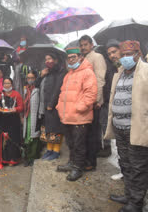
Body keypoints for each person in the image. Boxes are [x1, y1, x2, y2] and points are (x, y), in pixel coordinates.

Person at [105, 40, 148, 212]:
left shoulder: (145, 72)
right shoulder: (120, 73)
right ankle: (129, 196)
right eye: (122, 55)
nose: (125, 58)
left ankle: (136, 203)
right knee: (126, 164)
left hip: (136, 128)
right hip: (120, 128)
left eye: (129, 54)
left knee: (138, 167)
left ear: (138, 54)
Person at [56, 47, 97, 181]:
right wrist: (59, 107)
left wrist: (79, 108)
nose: (71, 60)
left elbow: (90, 94)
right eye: (69, 58)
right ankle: (72, 163)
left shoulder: (87, 73)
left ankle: (78, 168)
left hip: (80, 117)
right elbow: (63, 93)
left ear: (80, 57)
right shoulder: (69, 74)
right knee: (71, 143)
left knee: (79, 145)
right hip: (67, 117)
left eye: (73, 57)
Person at [79, 35, 107, 171]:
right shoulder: (82, 59)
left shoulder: (97, 57)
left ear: (91, 45)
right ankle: (86, 159)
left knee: (92, 133)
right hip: (85, 101)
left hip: (94, 102)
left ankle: (91, 162)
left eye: (85, 44)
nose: (83, 47)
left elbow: (100, 79)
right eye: (81, 45)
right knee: (85, 133)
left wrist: (97, 100)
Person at [39, 53, 66, 161]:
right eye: (46, 59)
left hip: (55, 105)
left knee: (56, 129)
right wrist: (41, 76)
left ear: (55, 60)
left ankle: (56, 151)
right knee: (48, 129)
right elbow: (37, 85)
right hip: (45, 105)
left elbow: (58, 88)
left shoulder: (61, 71)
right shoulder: (47, 72)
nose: (47, 61)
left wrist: (51, 103)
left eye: (50, 58)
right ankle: (49, 149)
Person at [97, 39, 121, 158]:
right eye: (109, 53)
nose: (112, 55)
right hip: (107, 102)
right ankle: (107, 148)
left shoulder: (127, 66)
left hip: (122, 105)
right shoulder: (109, 66)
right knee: (104, 125)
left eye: (114, 52)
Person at [0, 78, 23, 168]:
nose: (7, 85)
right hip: (1, 120)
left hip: (13, 120)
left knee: (12, 139)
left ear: (12, 84)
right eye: (5, 83)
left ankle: (13, 159)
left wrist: (15, 109)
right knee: (1, 139)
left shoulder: (16, 94)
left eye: (8, 83)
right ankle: (2, 160)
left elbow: (21, 107)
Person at [23, 70, 41, 166]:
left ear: (35, 78)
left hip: (35, 115)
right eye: (28, 78)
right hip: (27, 115)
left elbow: (41, 103)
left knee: (34, 136)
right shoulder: (25, 89)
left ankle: (33, 157)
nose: (30, 80)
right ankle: (27, 157)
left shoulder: (38, 89)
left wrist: (40, 115)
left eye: (32, 78)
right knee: (27, 136)